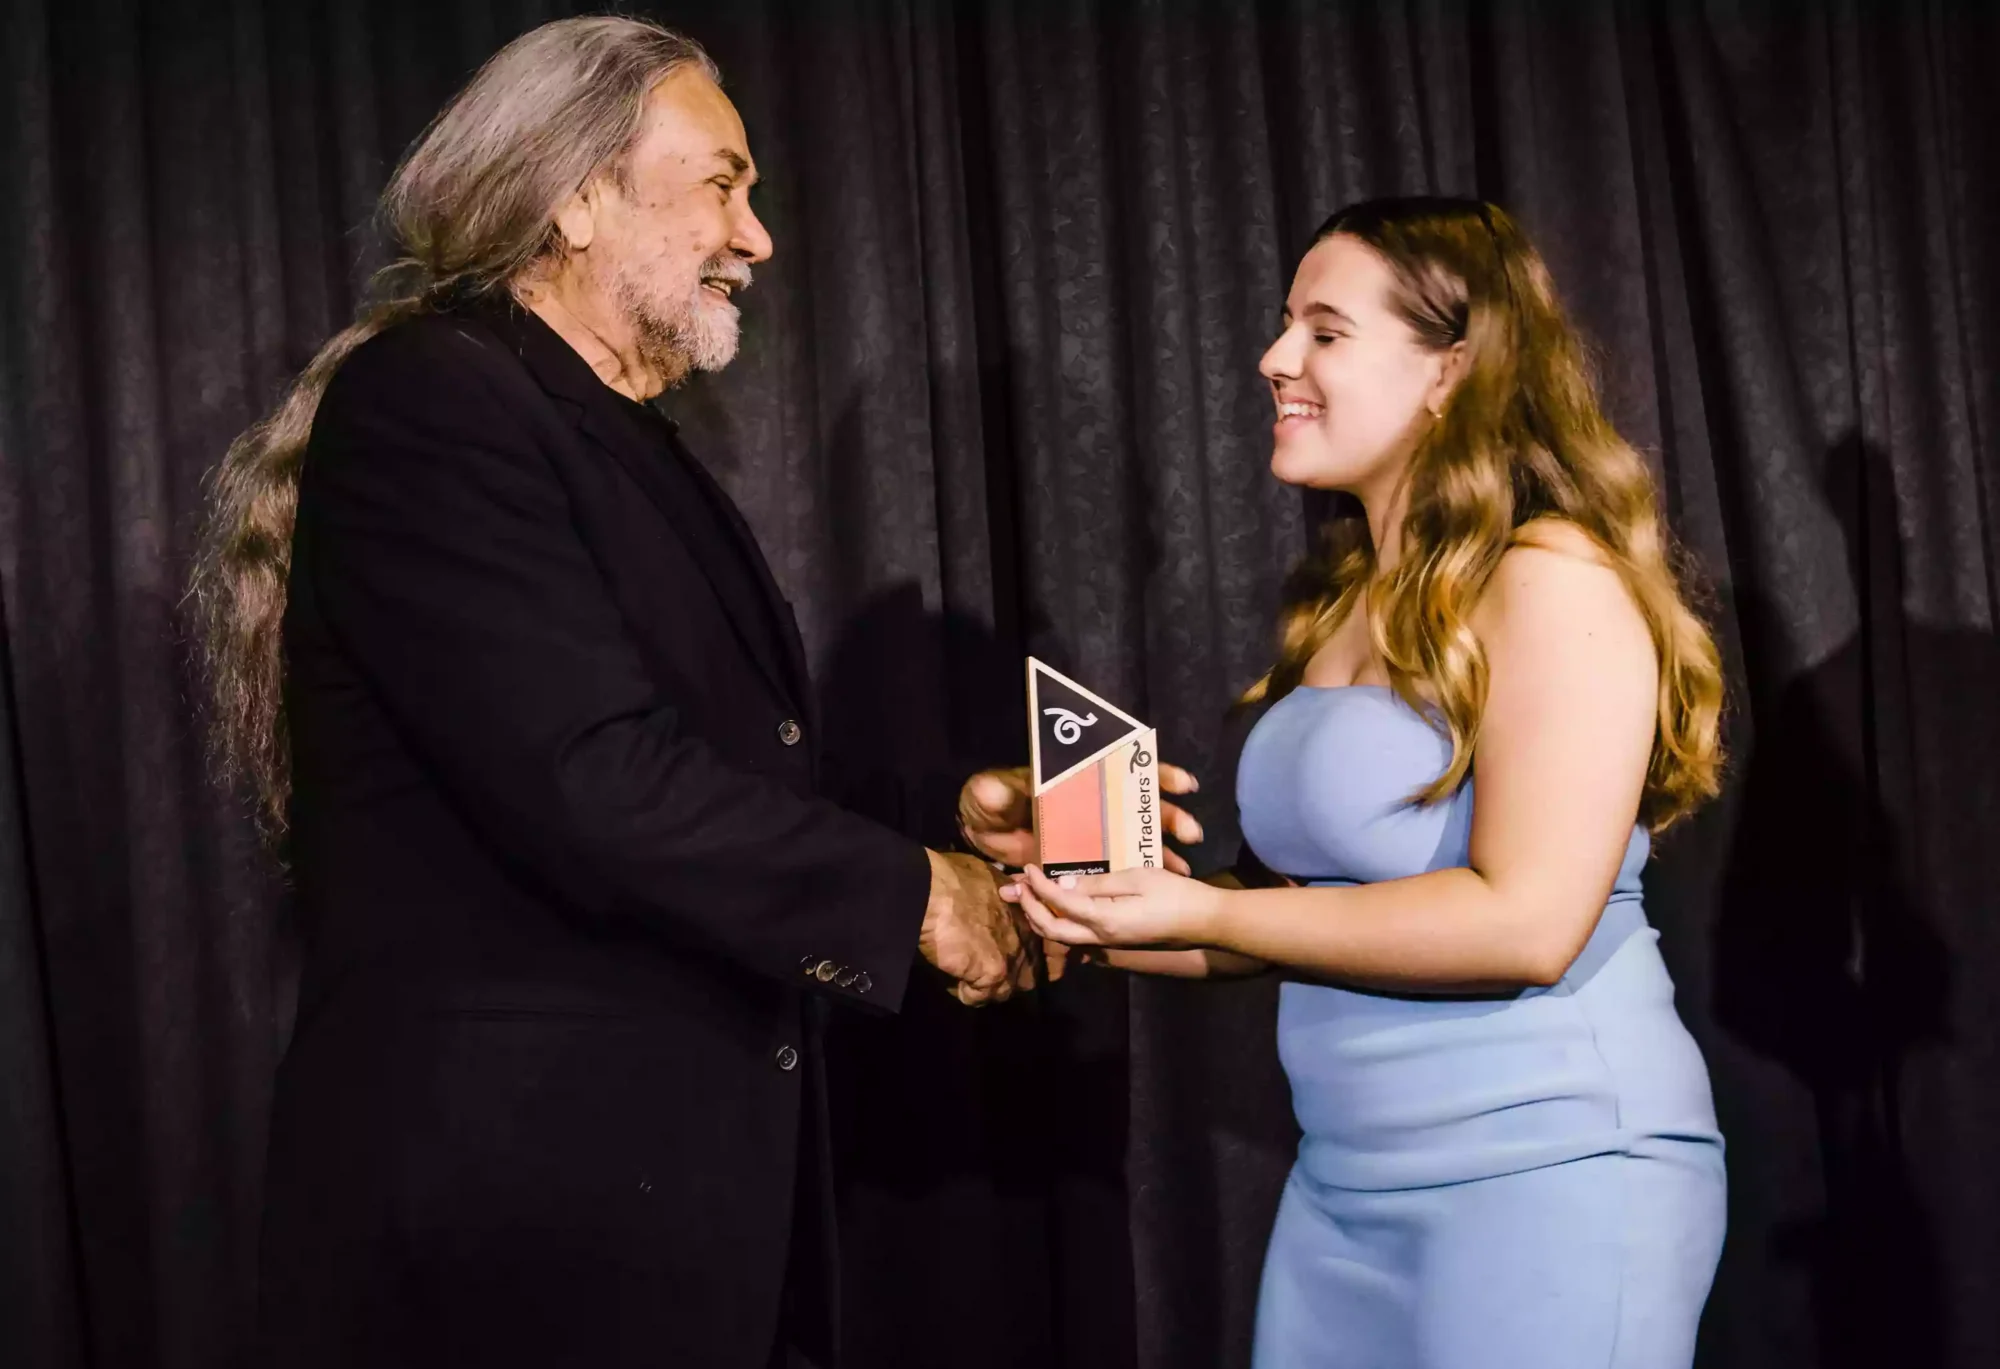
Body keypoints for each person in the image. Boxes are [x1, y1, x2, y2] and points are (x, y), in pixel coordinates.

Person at [190, 17, 1201, 1368]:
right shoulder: (432, 398)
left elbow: (717, 762)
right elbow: (592, 778)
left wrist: (947, 815)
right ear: (577, 193)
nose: (760, 235)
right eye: (723, 181)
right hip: (519, 1231)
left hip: (674, 1215)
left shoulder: (619, 438)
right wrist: (918, 898)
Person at [1007, 197, 1729, 1369]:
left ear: (1451, 370)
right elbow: (1285, 918)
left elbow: (1527, 921)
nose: (1272, 358)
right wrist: (1083, 900)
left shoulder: (1551, 579)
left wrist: (1212, 908)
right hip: (1342, 1191)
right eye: (1283, 325)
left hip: (1550, 1178)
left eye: (1322, 332)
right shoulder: (1344, 602)